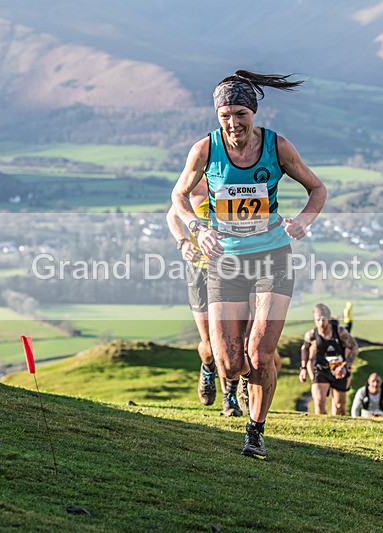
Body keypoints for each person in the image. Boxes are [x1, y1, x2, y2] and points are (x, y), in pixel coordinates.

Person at [171, 70, 327, 458]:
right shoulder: (204, 150)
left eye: (240, 113)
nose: (233, 123)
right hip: (224, 262)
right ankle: (233, 381)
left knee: (259, 355)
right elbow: (179, 195)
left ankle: (255, 431)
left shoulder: (277, 147)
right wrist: (196, 228)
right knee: (229, 363)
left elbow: (317, 188)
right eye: (225, 115)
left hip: (272, 257)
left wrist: (303, 221)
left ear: (253, 113)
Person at [166, 180, 242, 417]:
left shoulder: (234, 183)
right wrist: (182, 243)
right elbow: (172, 216)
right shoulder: (191, 189)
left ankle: (230, 397)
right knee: (210, 344)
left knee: (232, 341)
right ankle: (207, 366)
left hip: (231, 270)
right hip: (199, 270)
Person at [299, 303, 358, 416]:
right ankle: (321, 430)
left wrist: (345, 366)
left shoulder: (340, 332)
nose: (321, 323)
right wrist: (303, 368)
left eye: (323, 319)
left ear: (329, 319)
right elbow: (304, 348)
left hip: (339, 370)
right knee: (319, 403)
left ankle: (339, 430)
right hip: (322, 369)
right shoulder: (311, 335)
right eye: (318, 320)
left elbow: (354, 347)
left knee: (340, 407)